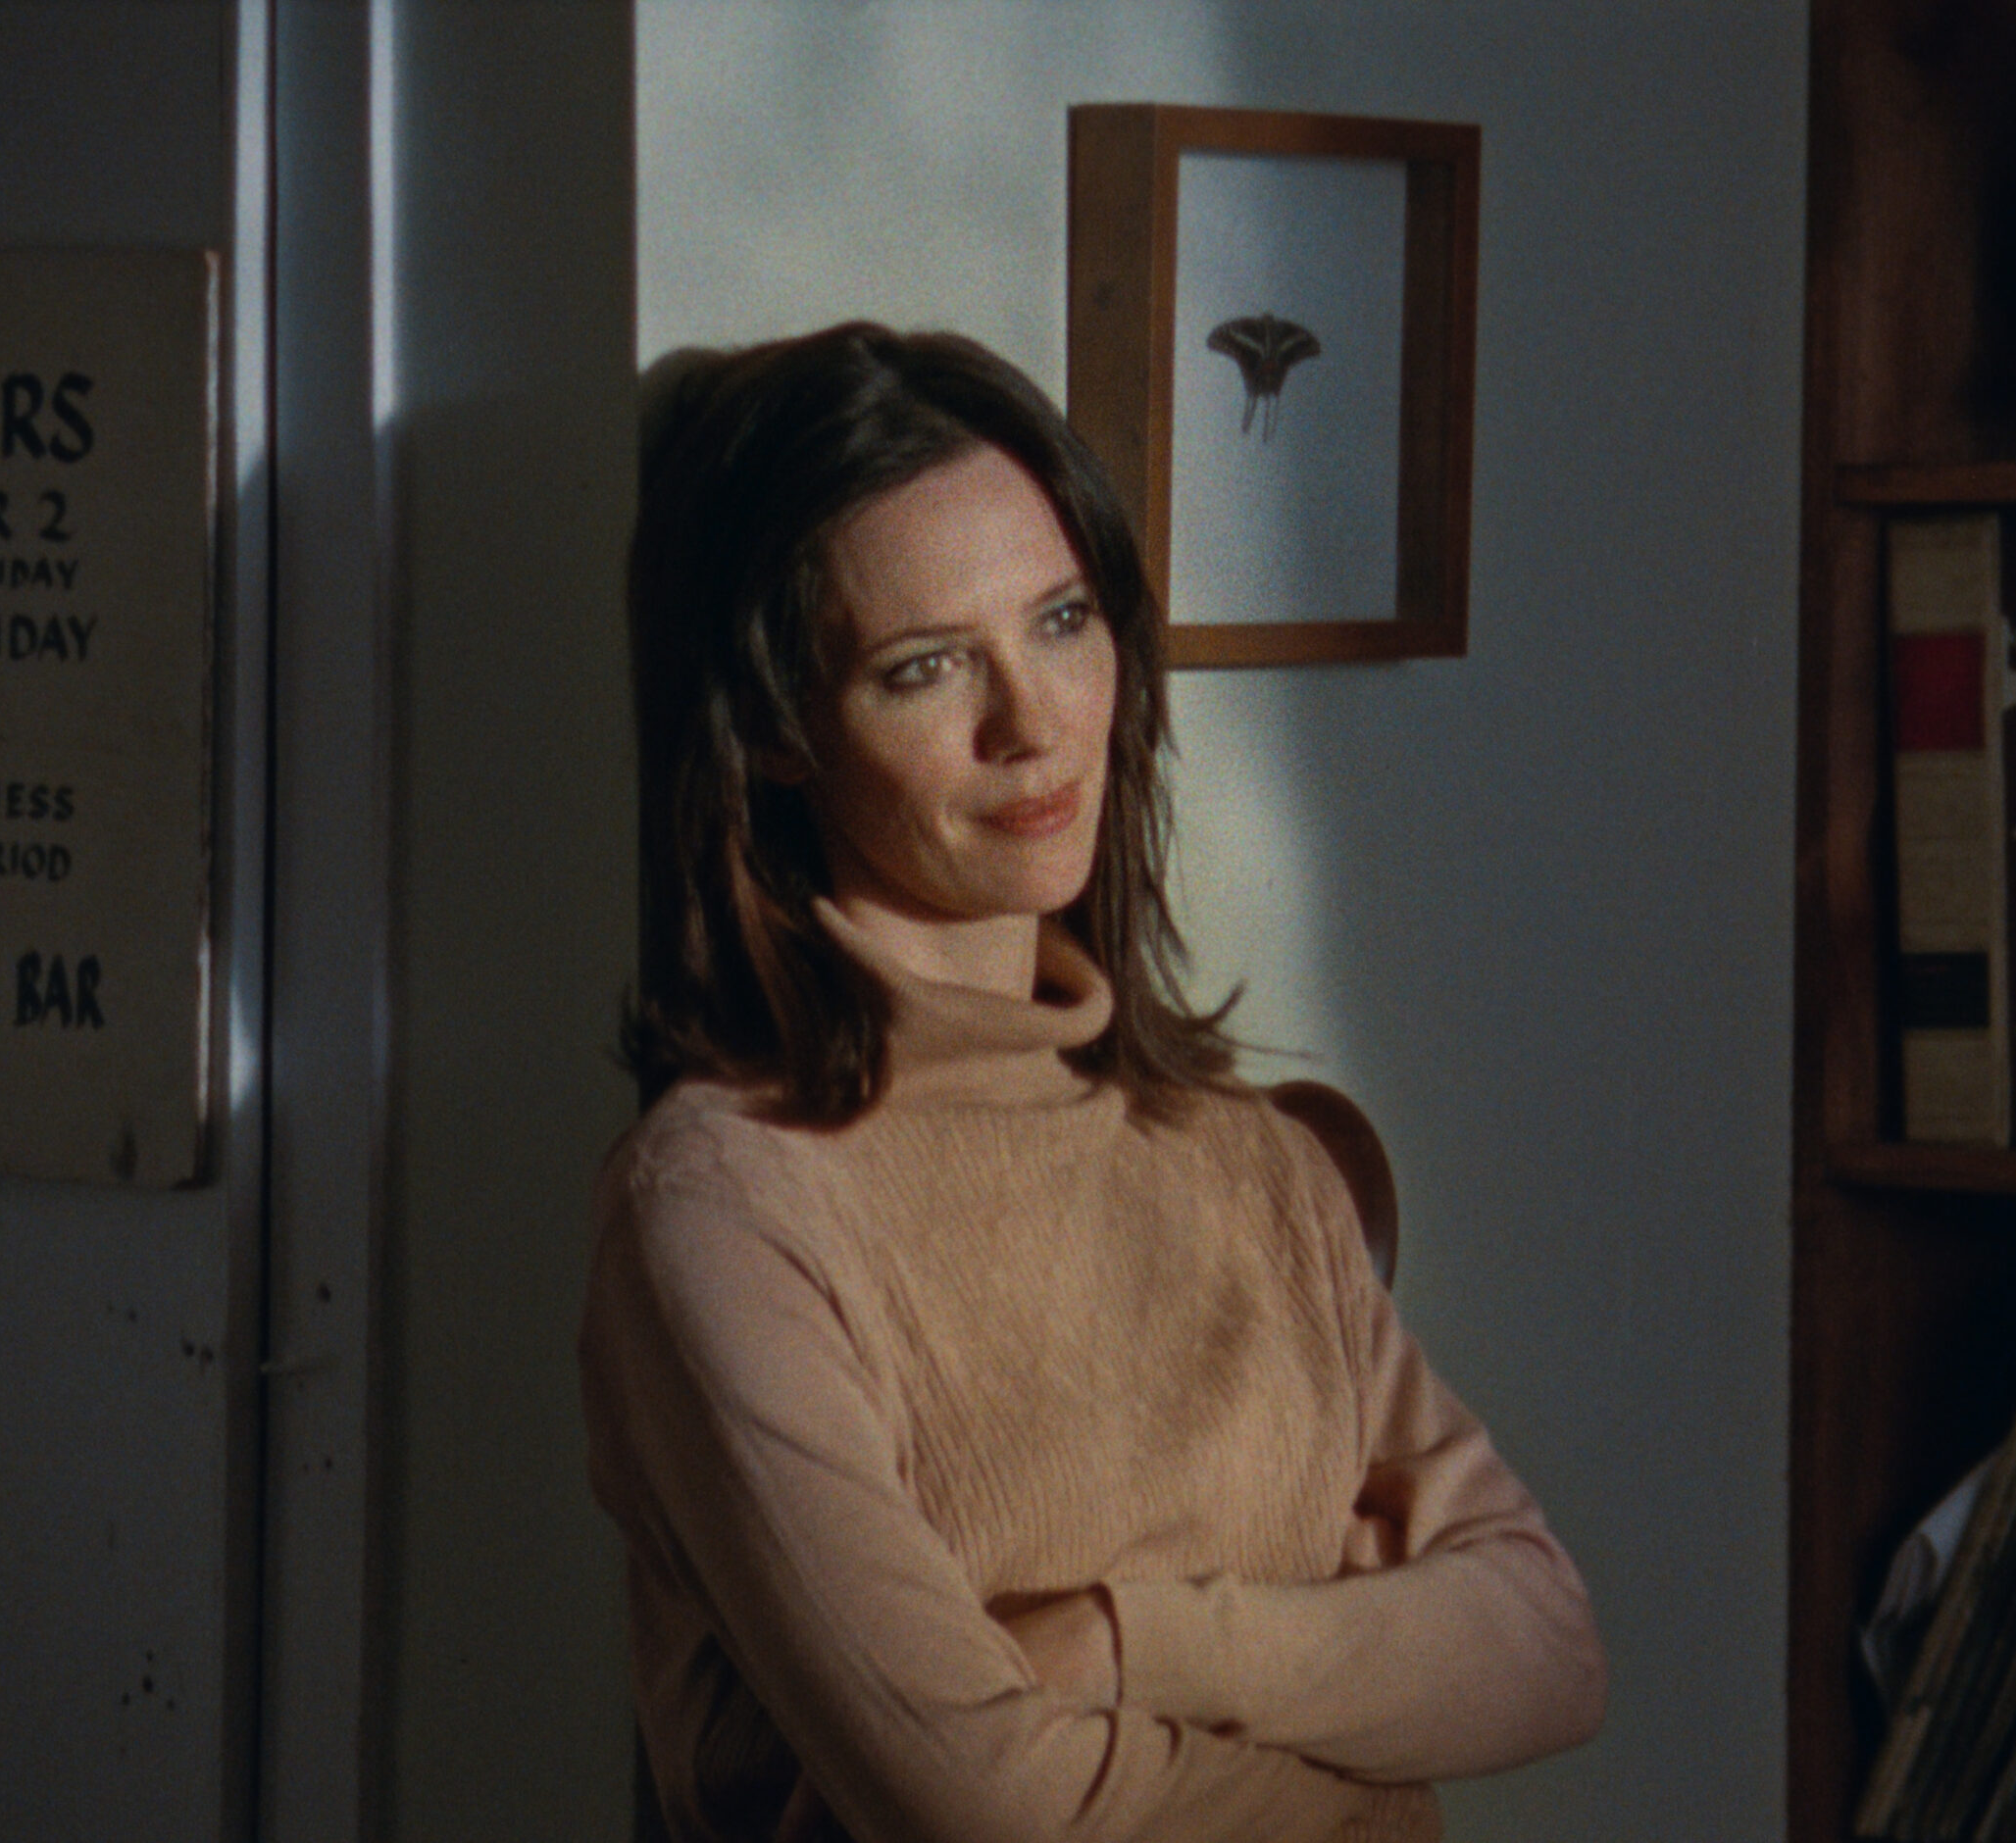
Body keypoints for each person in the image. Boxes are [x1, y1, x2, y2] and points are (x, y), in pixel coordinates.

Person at [580, 322, 1605, 1843]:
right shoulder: (726, 1207)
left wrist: (1130, 1646)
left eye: (1062, 620)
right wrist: (1368, 1746)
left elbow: (1545, 1651)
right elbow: (992, 1810)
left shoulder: (1243, 1157)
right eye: (925, 667)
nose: (1034, 722)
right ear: (780, 732)